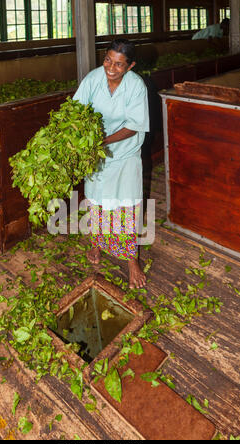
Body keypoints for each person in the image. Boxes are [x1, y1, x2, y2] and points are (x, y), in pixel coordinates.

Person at [73, 38, 149, 289]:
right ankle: (96, 243)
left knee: (126, 205)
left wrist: (102, 141)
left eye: (119, 64)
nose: (111, 67)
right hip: (97, 154)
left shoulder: (136, 86)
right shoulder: (93, 79)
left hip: (124, 154)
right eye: (108, 60)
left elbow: (134, 125)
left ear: (130, 66)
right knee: (97, 200)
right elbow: (75, 111)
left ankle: (131, 260)